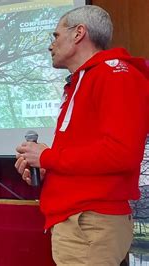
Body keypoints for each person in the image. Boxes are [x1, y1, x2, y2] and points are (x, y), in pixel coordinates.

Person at [14, 5, 149, 266]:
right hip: (79, 221)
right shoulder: (82, 81)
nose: (50, 45)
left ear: (78, 33)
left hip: (90, 222)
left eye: (55, 36)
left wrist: (49, 157)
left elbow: (122, 154)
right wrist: (45, 168)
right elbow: (87, 154)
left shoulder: (116, 76)